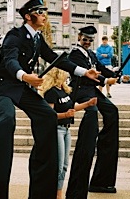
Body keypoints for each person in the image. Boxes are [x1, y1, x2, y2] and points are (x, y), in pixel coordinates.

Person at [0, 0, 100, 199]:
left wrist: (83, 71)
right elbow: (9, 60)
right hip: (2, 85)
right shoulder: (15, 36)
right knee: (6, 121)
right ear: (28, 17)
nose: (45, 15)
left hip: (20, 86)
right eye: (40, 11)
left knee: (47, 116)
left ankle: (42, 192)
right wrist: (25, 76)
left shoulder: (37, 38)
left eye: (45, 11)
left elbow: (54, 58)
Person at [66, 25, 130, 198]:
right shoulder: (75, 54)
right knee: (92, 116)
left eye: (90, 40)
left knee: (112, 112)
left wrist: (118, 76)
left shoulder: (92, 54)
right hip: (81, 90)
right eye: (85, 39)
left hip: (93, 90)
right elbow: (92, 74)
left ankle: (102, 179)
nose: (87, 42)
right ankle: (78, 185)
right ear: (79, 37)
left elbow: (103, 68)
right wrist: (105, 79)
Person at [39, 67, 97, 199]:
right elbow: (49, 115)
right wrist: (65, 114)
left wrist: (87, 104)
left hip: (66, 129)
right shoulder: (51, 92)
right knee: (58, 165)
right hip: (57, 129)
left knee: (65, 164)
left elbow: (71, 107)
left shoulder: (64, 90)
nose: (67, 77)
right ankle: (55, 193)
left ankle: (59, 191)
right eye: (65, 74)